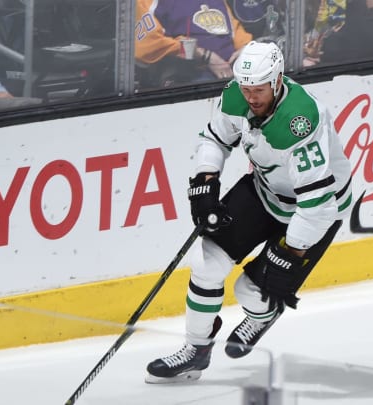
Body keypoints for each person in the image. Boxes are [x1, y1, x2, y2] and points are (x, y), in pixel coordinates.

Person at [145, 41, 353, 383]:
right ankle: (196, 350)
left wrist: (291, 251)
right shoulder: (236, 96)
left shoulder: (300, 121)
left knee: (249, 291)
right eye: (246, 89)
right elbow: (214, 138)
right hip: (265, 190)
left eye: (258, 89)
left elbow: (317, 205)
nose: (251, 97)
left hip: (316, 208)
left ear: (277, 81)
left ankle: (264, 313)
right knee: (206, 264)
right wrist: (205, 180)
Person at [135, 0, 253, 89]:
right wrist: (203, 55)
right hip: (190, 78)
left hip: (234, 74)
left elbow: (236, 32)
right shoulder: (149, 2)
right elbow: (147, 46)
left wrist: (246, 48)